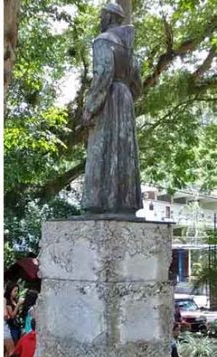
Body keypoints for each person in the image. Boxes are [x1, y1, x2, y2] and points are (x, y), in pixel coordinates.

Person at [80, 2, 142, 216]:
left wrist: (90, 108)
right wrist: (124, 92)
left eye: (102, 15)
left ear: (108, 17)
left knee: (102, 147)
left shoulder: (103, 41)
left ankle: (98, 203)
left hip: (109, 98)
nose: (100, 19)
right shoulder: (128, 47)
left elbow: (103, 74)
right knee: (123, 150)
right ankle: (123, 202)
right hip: (125, 98)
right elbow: (138, 84)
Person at [4, 283, 22, 357]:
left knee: (9, 351)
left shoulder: (14, 300)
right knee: (12, 351)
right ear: (10, 291)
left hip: (17, 327)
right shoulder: (7, 302)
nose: (16, 293)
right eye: (15, 291)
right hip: (11, 327)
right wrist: (18, 305)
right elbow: (12, 316)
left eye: (17, 291)